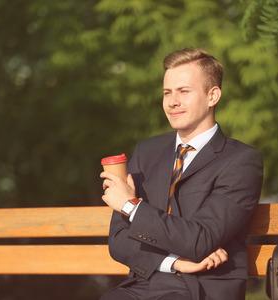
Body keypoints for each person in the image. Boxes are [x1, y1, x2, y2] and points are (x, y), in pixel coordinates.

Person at [100, 48, 263, 300]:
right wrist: (174, 262)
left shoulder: (241, 161)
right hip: (143, 284)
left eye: (184, 91)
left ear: (213, 96)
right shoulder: (146, 151)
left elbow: (201, 239)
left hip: (201, 289)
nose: (172, 101)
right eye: (167, 92)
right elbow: (119, 240)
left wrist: (131, 206)